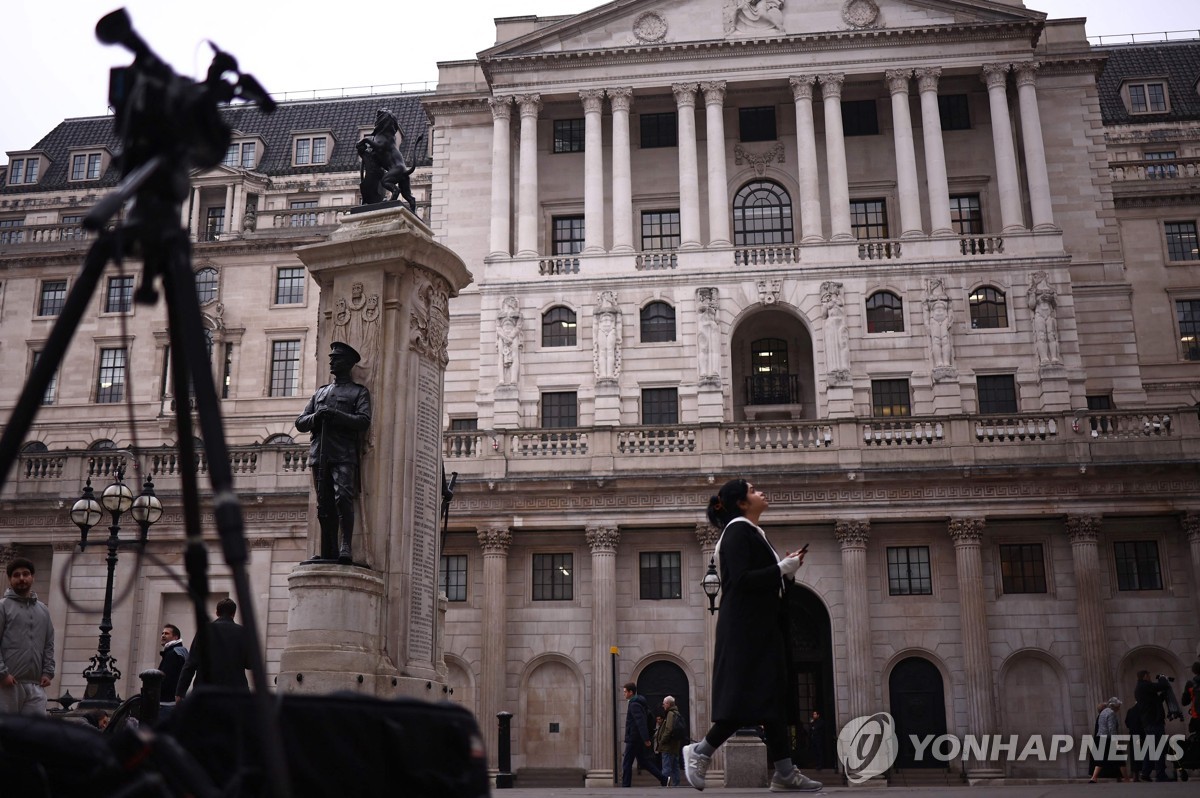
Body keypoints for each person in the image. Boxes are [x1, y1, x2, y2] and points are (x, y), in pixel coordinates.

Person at [682, 479, 822, 793]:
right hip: (745, 631)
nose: (760, 491)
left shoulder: (751, 533)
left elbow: (764, 583)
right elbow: (741, 581)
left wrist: (787, 570)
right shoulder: (736, 532)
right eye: (752, 489)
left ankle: (785, 773)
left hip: (760, 628)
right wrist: (782, 568)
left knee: (770, 697)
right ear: (742, 503)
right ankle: (700, 751)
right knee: (744, 697)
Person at [295, 341, 372, 564]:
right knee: (324, 504)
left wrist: (336, 415)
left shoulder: (358, 392)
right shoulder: (321, 393)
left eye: (336, 358)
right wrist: (317, 417)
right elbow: (300, 422)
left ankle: (346, 545)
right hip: (320, 454)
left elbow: (363, 420)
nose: (331, 361)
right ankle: (328, 548)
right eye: (331, 358)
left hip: (343, 453)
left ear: (347, 363)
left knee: (343, 498)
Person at [0, 557, 55, 715]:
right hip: (8, 684)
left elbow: (49, 643)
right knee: (5, 732)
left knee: (34, 735)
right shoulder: (3, 607)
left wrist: (48, 671)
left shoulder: (43, 610)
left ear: (32, 577)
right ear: (10, 579)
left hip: (36, 685)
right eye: (16, 575)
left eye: (26, 574)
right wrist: (3, 674)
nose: (22, 578)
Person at [176, 598, 253, 699]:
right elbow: (249, 664)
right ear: (233, 614)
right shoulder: (243, 632)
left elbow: (191, 663)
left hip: (206, 691)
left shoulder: (204, 630)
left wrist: (180, 692)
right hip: (235, 694)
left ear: (217, 612)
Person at [622, 682, 666, 788]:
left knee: (627, 762)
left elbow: (640, 722)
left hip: (634, 738)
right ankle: (663, 779)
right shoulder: (638, 703)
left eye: (625, 692)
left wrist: (646, 738)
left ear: (631, 692)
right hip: (637, 738)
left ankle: (625, 785)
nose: (624, 694)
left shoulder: (634, 705)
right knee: (644, 761)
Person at [1133, 670, 1170, 782]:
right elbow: (1162, 685)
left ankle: (1145, 773)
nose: (1150, 677)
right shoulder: (1144, 686)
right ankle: (1160, 774)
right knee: (1159, 747)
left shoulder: (1140, 688)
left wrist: (1162, 696)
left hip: (1148, 721)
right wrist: (1163, 678)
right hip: (1154, 721)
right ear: (1145, 676)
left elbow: (1155, 700)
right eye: (1149, 675)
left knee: (1150, 748)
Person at [1089, 697, 1128, 783]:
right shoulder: (1111, 713)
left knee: (1101, 759)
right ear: (1113, 706)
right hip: (1109, 738)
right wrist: (1115, 740)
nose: (1119, 708)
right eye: (1118, 706)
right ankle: (1126, 778)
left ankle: (1094, 777)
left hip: (1101, 737)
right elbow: (1112, 728)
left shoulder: (1103, 712)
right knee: (1120, 758)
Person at [655, 695, 685, 786]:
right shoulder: (676, 713)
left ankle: (665, 784)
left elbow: (668, 729)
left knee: (666, 767)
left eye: (664, 704)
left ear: (668, 704)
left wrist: (662, 741)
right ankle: (676, 784)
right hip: (675, 745)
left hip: (668, 745)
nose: (663, 705)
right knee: (675, 766)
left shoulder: (670, 714)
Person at [157, 623, 188, 704]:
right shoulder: (177, 652)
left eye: (167, 633)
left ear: (176, 637)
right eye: (162, 633)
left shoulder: (172, 653)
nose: (163, 635)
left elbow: (166, 678)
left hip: (167, 701)